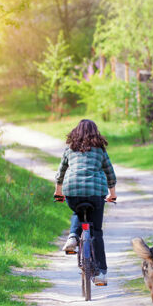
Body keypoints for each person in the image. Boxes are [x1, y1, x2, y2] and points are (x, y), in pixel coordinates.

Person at [54, 119, 117, 286]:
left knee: (77, 211)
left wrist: (58, 192)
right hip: (96, 193)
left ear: (76, 132)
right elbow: (110, 173)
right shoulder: (100, 151)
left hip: (73, 191)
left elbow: (61, 171)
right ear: (96, 133)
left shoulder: (70, 149)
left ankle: (73, 237)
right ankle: (101, 274)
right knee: (96, 231)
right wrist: (113, 194)